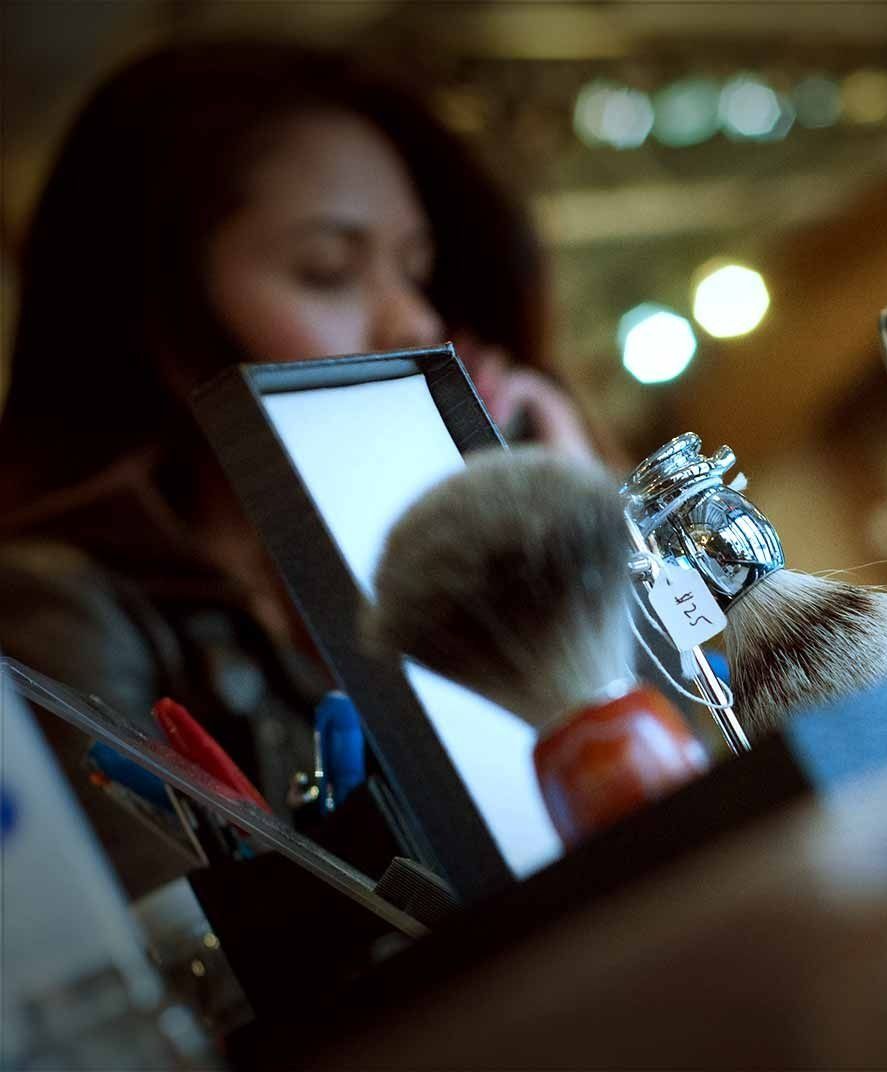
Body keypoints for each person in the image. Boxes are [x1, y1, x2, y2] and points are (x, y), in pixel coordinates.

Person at [0, 40, 595, 894]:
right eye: (328, 270)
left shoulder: (383, 588)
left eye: (416, 270)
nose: (414, 319)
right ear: (161, 318)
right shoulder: (55, 614)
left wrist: (569, 524)